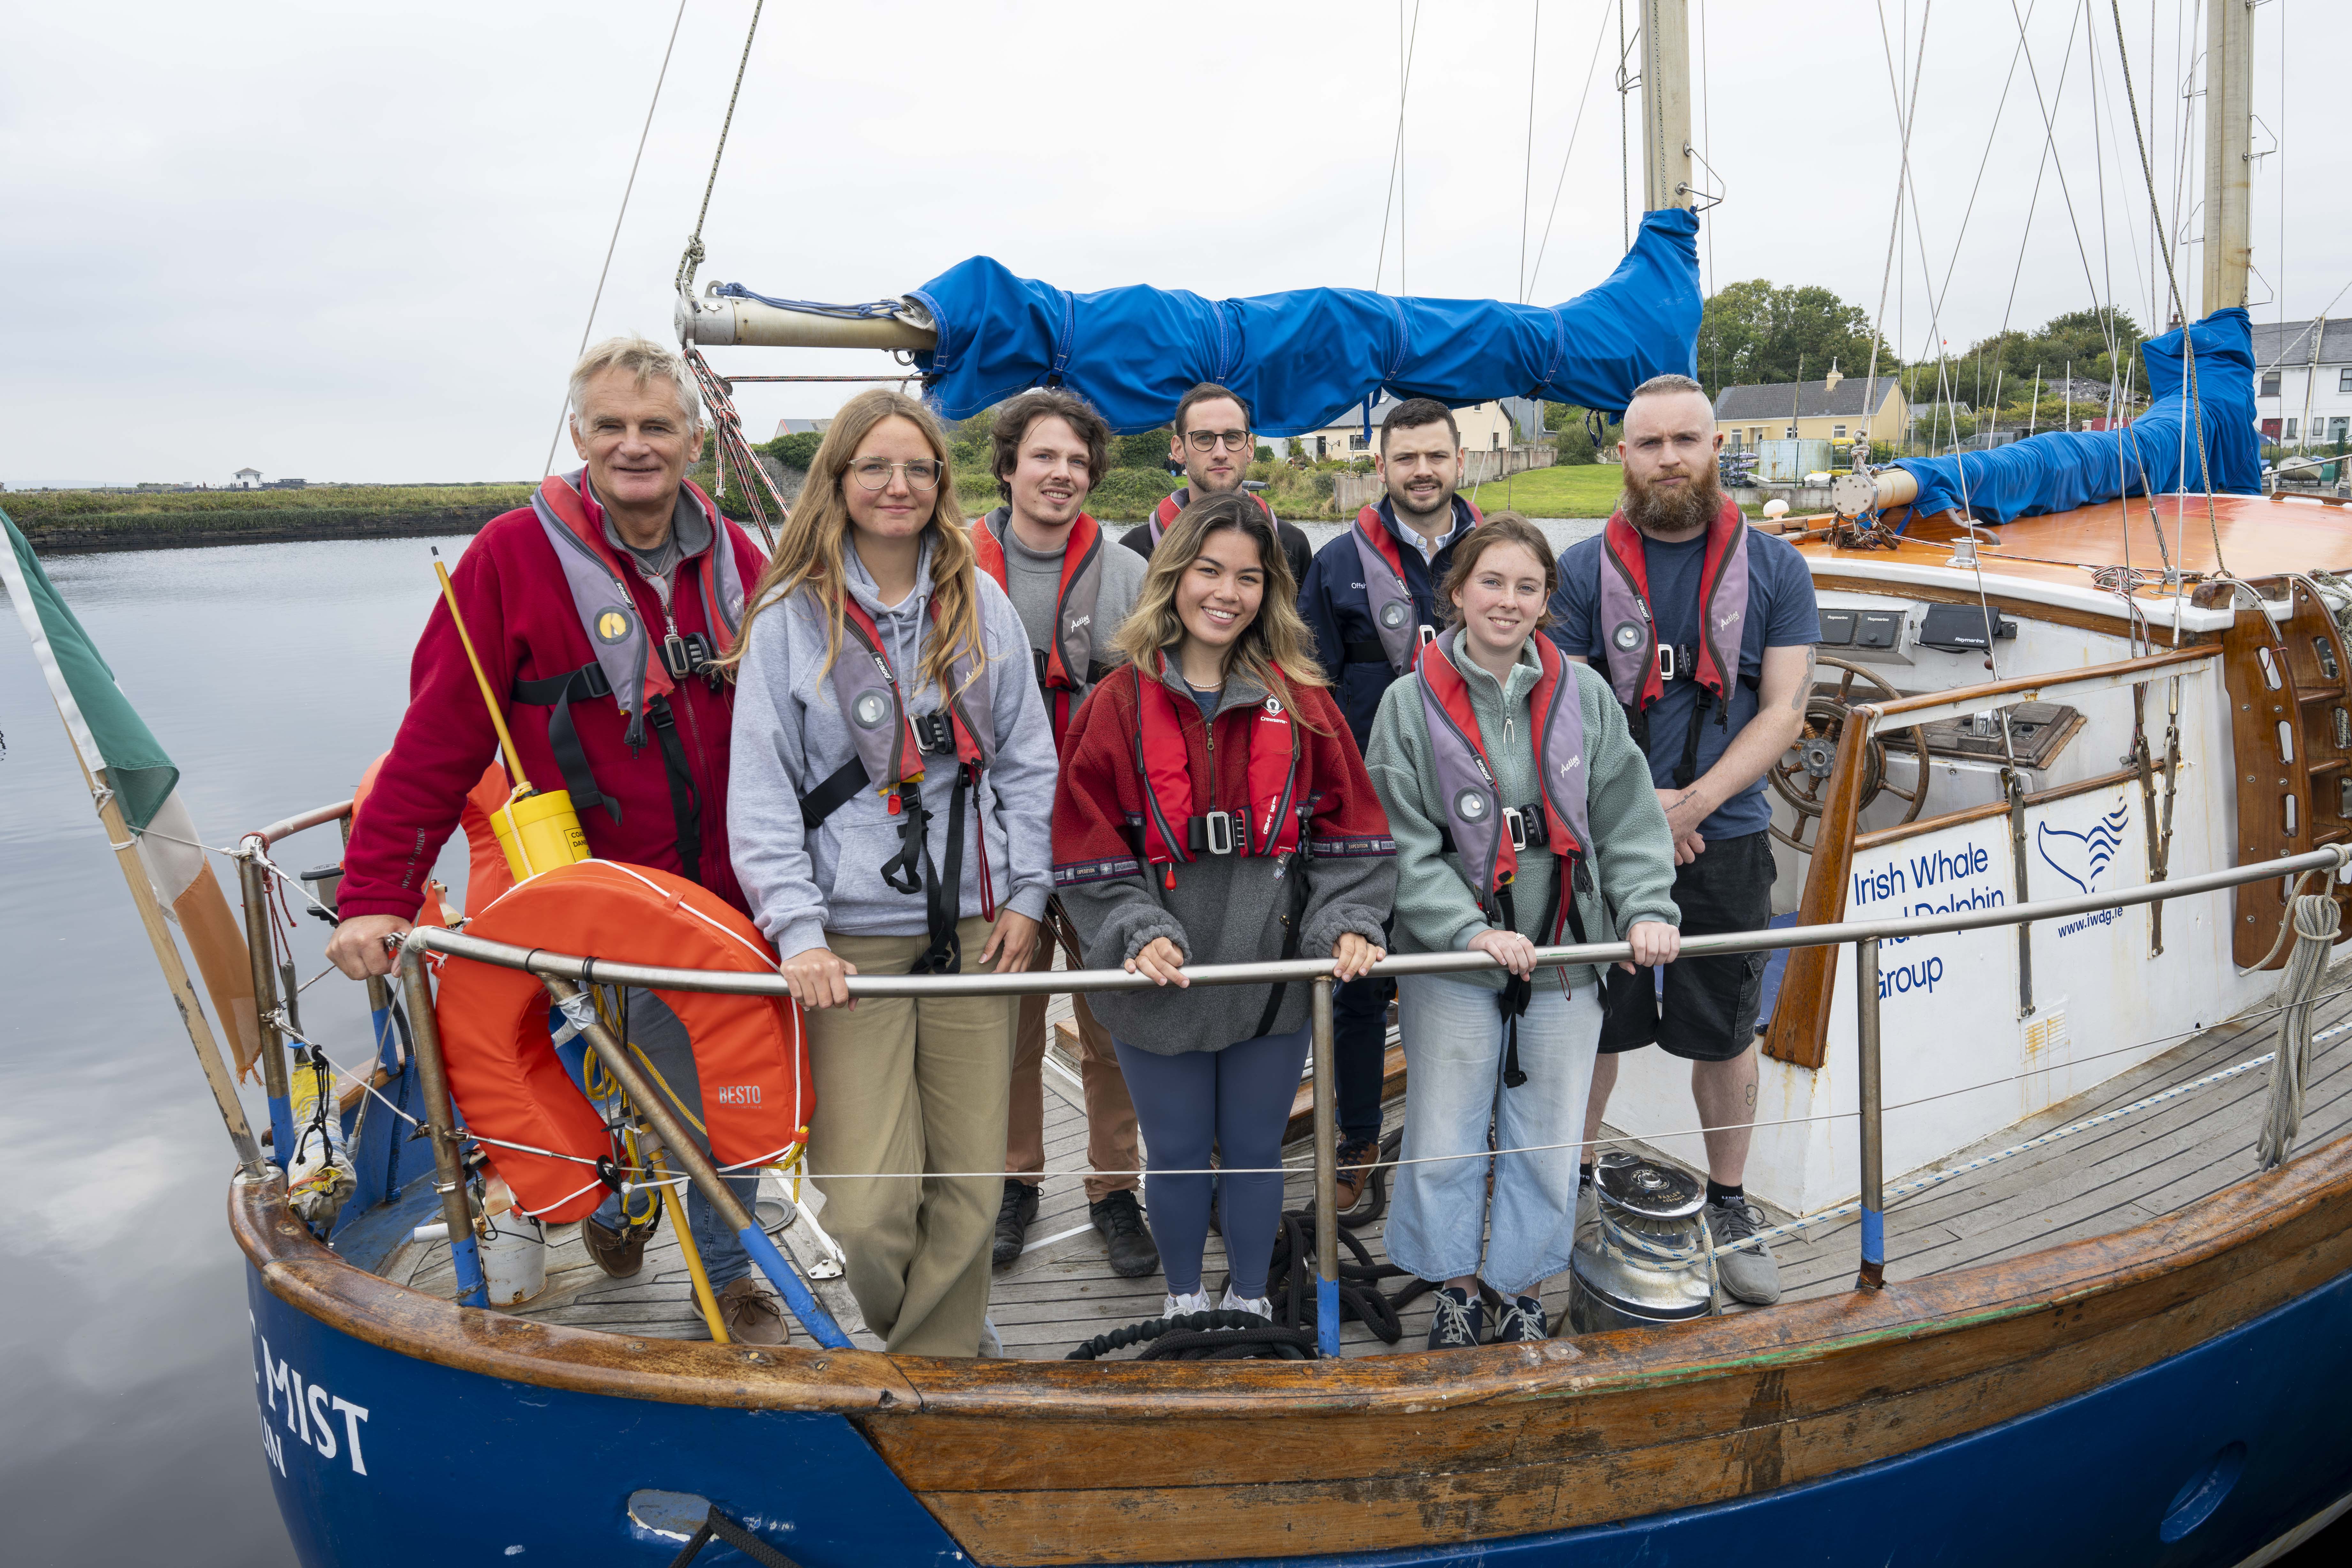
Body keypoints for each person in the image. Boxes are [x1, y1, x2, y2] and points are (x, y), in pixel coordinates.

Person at [326, 337, 787, 1343]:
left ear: (693, 441)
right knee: (650, 1087)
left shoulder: (740, 557)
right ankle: (681, 1248)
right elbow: (437, 739)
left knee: (722, 1092)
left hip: (728, 893)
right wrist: (375, 894)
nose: (634, 444)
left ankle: (680, 1241)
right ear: (578, 435)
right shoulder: (506, 560)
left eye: (656, 425)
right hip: (593, 893)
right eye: (611, 425)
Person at [727, 388, 1057, 1357]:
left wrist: (1030, 896)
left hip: (975, 927)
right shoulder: (792, 617)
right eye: (874, 466)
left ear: (942, 485)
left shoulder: (981, 604)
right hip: (849, 941)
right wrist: (798, 930)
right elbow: (761, 792)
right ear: (837, 481)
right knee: (869, 1203)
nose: (897, 485)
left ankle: (941, 1376)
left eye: (917, 468)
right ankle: (946, 1351)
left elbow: (1028, 762)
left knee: (970, 1181)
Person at [1054, 492, 1396, 1319]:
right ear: (1173, 576)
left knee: (1250, 1152)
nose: (1225, 591)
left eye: (1247, 575)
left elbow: (1350, 833)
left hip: (1268, 979)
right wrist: (1137, 929)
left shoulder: (1307, 704)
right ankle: (1183, 1303)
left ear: (1267, 590)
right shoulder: (1114, 706)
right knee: (1173, 1155)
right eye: (1208, 569)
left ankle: (1246, 1301)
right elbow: (1082, 840)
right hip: (1154, 986)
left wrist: (1343, 922)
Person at [1366, 513, 1682, 1347]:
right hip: (1455, 965)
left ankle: (1520, 1286)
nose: (1507, 600)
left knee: (1546, 1135)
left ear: (1546, 600)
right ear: (1458, 592)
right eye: (1491, 582)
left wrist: (1646, 906)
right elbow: (1402, 842)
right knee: (1443, 1131)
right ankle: (1456, 1285)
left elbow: (1626, 817)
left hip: (1565, 961)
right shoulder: (1405, 707)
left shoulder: (1585, 698)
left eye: (1526, 585)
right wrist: (1467, 930)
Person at [1548, 372, 1818, 1307]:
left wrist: (1692, 805)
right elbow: (1564, 714)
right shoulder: (1579, 572)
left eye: (1686, 441)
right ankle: (1575, 1191)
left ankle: (1730, 1200)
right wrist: (1638, 818)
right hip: (1602, 838)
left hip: (1729, 832)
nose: (1669, 458)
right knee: (1594, 1023)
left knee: (1724, 1030)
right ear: (1621, 455)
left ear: (1715, 449)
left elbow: (1783, 709)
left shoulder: (1778, 569)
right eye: (1649, 442)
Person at [969, 389, 1157, 1278]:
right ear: (1007, 466)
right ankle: (1013, 1177)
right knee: (1006, 1020)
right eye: (1043, 457)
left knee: (1111, 1021)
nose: (1061, 475)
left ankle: (1114, 1186)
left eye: (1078, 462)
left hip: (1096, 833)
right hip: (989, 838)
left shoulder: (1126, 575)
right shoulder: (949, 567)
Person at [1298, 396, 1482, 1218]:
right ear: (1381, 466)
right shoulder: (1336, 563)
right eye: (1405, 458)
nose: (1421, 472)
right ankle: (1360, 1135)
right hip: (1369, 811)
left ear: (1459, 461)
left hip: (1478, 807)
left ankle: (1466, 1134)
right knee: (1360, 981)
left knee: (1470, 972)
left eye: (1435, 457)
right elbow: (1311, 690)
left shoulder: (1496, 557)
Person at [1119, 382, 1313, 588]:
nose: (1221, 453)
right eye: (1204, 438)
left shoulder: (1292, 545)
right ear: (1178, 449)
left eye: (1232, 437)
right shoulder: (1136, 550)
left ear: (1249, 448)